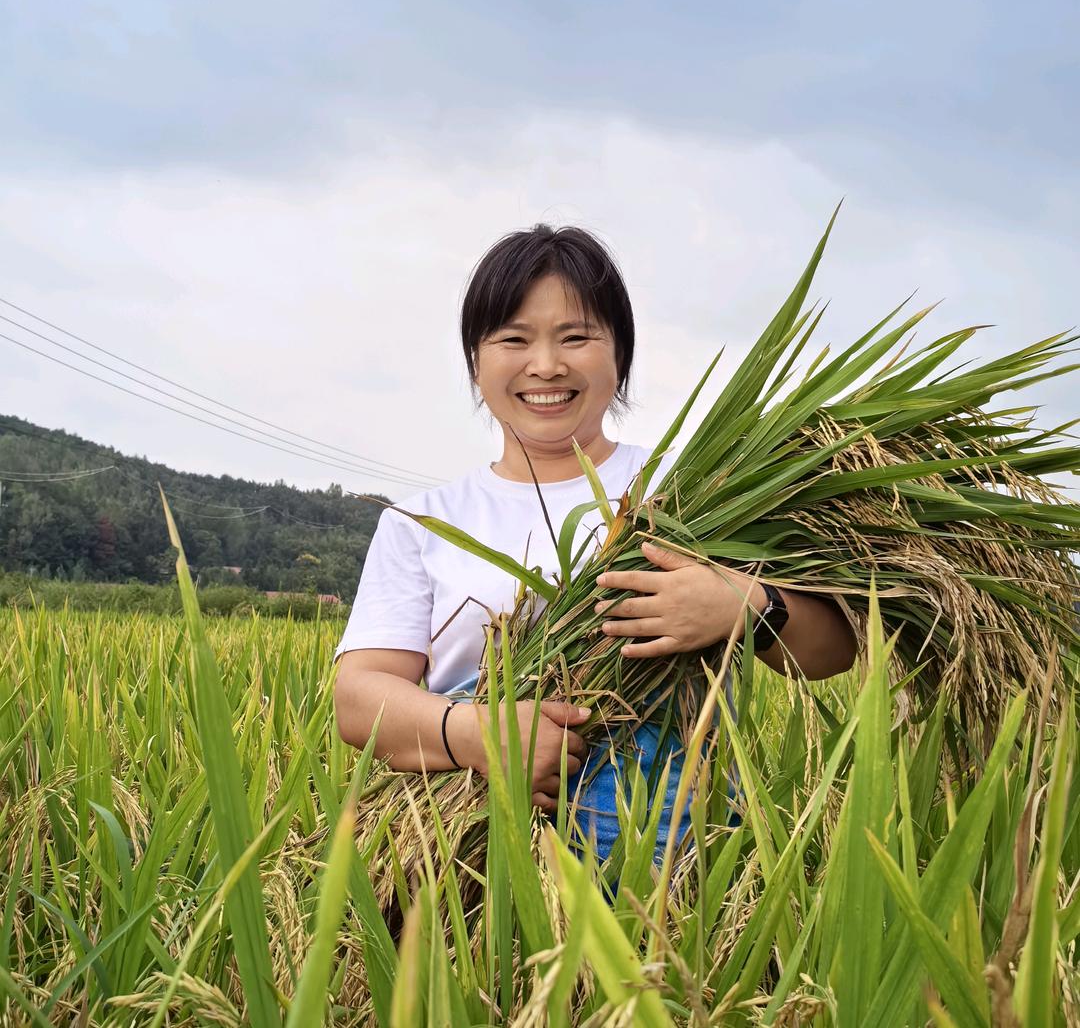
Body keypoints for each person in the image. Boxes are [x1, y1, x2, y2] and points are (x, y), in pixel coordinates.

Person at [333, 224, 857, 862]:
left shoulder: (690, 487)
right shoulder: (424, 521)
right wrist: (478, 733)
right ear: (476, 360)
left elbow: (832, 651)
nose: (546, 365)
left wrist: (745, 605)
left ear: (620, 355)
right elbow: (358, 700)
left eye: (576, 337)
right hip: (469, 856)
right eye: (513, 339)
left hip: (671, 857)